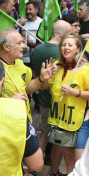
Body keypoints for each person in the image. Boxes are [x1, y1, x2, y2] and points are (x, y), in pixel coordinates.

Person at [46, 34, 89, 176]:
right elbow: (47, 87)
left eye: (70, 45)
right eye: (64, 45)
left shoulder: (86, 70)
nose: (66, 48)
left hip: (80, 122)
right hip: (61, 121)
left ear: (78, 49)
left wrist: (74, 92)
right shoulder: (57, 66)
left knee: (79, 162)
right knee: (68, 158)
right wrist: (45, 76)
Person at [31, 21, 72, 168]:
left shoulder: (36, 50)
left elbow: (35, 76)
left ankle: (34, 164)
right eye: (70, 35)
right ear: (63, 35)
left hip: (43, 99)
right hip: (59, 101)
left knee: (45, 131)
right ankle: (53, 167)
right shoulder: (63, 53)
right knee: (60, 135)